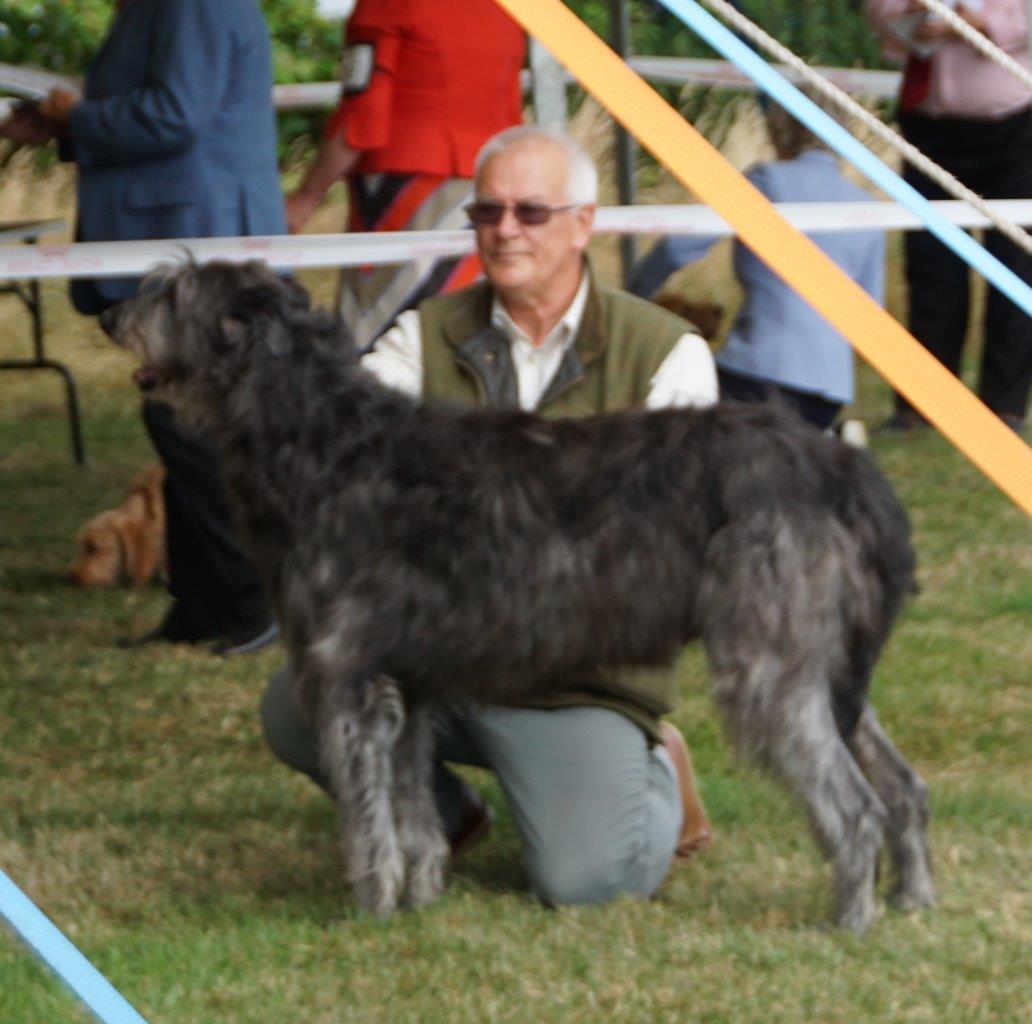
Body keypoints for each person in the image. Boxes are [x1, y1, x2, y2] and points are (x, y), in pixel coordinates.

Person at [262, 125, 719, 906]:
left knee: (585, 884)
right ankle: (445, 816)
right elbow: (346, 466)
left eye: (532, 212)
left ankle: (652, 766)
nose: (506, 230)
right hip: (441, 648)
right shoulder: (422, 334)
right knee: (301, 703)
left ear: (584, 223)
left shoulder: (666, 355)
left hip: (574, 676)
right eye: (488, 210)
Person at [1, 0, 285, 653]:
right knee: (177, 418)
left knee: (196, 425)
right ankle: (204, 608)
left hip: (198, 230)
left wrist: (75, 114)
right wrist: (63, 130)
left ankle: (251, 602)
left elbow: (174, 116)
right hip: (180, 225)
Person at [631, 93, 886, 433]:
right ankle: (837, 436)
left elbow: (679, 247)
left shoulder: (766, 180)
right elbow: (871, 311)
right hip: (830, 386)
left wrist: (635, 294)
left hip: (757, 370)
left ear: (778, 128)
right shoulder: (865, 205)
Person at [284, 0, 526, 351]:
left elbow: (362, 120)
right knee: (467, 331)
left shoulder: (386, 5)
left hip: (404, 190)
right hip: (491, 188)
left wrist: (306, 198)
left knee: (385, 338)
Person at [865, 0, 1032, 433]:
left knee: (1016, 266)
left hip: (1016, 126)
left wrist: (980, 23)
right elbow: (877, 15)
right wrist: (911, 15)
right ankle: (923, 405)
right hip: (928, 127)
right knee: (930, 268)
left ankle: (1004, 408)